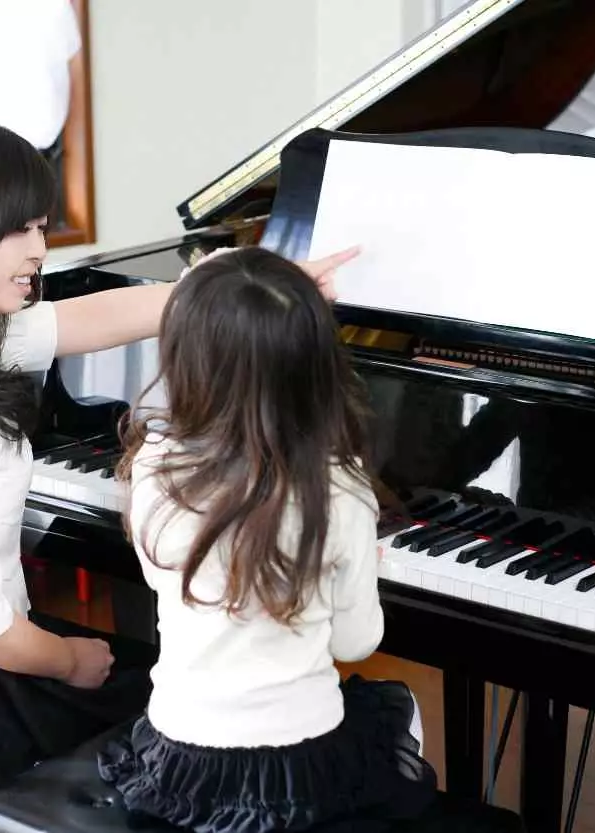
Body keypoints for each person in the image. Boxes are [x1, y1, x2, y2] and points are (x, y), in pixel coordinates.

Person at [0, 116, 358, 833]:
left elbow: (84, 320)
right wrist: (70, 657)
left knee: (168, 687)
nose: (40, 250)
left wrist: (247, 287)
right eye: (21, 230)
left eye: (40, 226)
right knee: (174, 724)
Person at [98, 247, 438, 832]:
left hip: (180, 755)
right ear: (316, 364)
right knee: (395, 707)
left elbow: (165, 583)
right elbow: (357, 643)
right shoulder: (338, 486)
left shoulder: (152, 466)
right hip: (298, 769)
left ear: (184, 356)